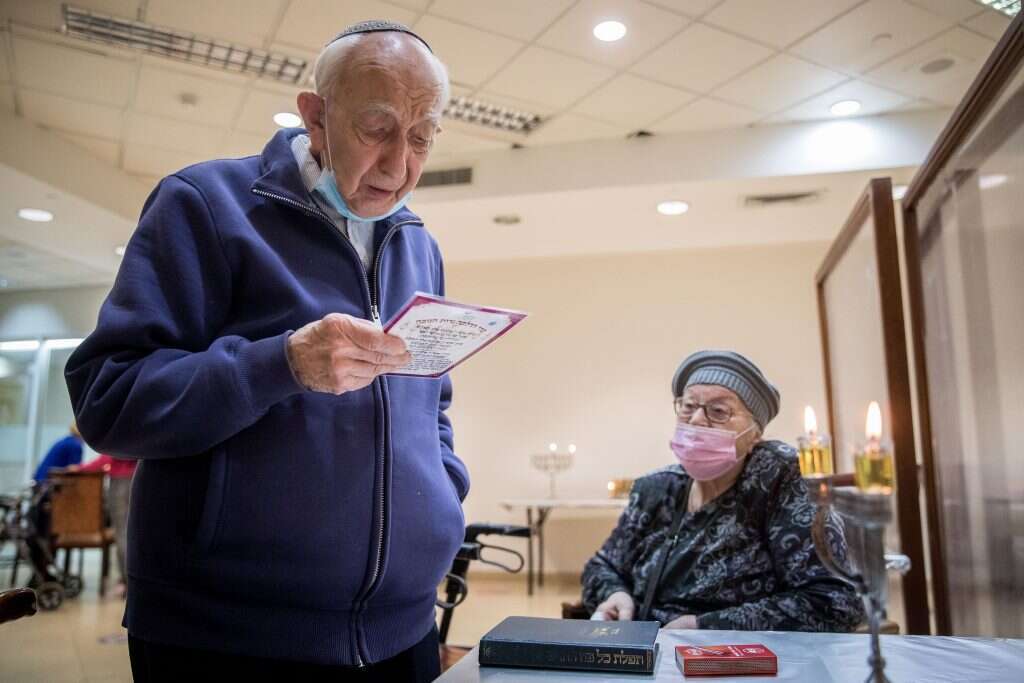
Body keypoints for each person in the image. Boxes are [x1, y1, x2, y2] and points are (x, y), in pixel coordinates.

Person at [65, 20, 467, 682]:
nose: (400, 165)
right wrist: (278, 364)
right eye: (377, 128)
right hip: (228, 638)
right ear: (315, 115)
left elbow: (433, 406)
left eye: (422, 138)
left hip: (402, 630)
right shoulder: (204, 206)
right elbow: (108, 401)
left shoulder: (417, 244)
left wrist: (441, 503)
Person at [582, 350, 864, 632]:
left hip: (729, 663)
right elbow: (602, 565)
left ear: (755, 434)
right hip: (642, 653)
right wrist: (614, 595)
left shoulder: (781, 478)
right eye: (688, 406)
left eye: (718, 411)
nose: (696, 421)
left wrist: (704, 627)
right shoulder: (656, 488)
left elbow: (835, 602)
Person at [71, 454, 136, 597]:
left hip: (120, 483)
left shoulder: (121, 434)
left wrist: (81, 468)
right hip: (139, 480)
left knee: (122, 533)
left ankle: (128, 581)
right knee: (135, 533)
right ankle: (134, 579)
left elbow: (107, 457)